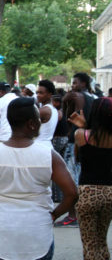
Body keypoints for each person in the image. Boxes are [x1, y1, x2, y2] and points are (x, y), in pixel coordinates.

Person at [0, 97, 78, 260]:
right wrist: (54, 215)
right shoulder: (49, 156)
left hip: (1, 235)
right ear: (32, 123)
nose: (41, 122)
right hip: (38, 235)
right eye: (39, 119)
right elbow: (72, 193)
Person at [71, 97, 112, 259]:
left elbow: (77, 158)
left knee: (89, 243)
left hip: (88, 192)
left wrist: (85, 126)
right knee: (101, 240)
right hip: (110, 193)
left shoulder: (81, 135)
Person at [57, 72, 96, 227]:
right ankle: (83, 214)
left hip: (76, 142)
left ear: (83, 84)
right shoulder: (93, 98)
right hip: (89, 141)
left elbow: (72, 116)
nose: (72, 86)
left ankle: (73, 216)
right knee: (81, 178)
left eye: (75, 83)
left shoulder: (79, 97)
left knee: (71, 180)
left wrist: (67, 101)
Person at [36, 80, 58, 148]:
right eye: (37, 93)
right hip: (47, 145)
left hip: (40, 146)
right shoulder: (53, 109)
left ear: (50, 94)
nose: (38, 95)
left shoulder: (44, 110)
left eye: (41, 93)